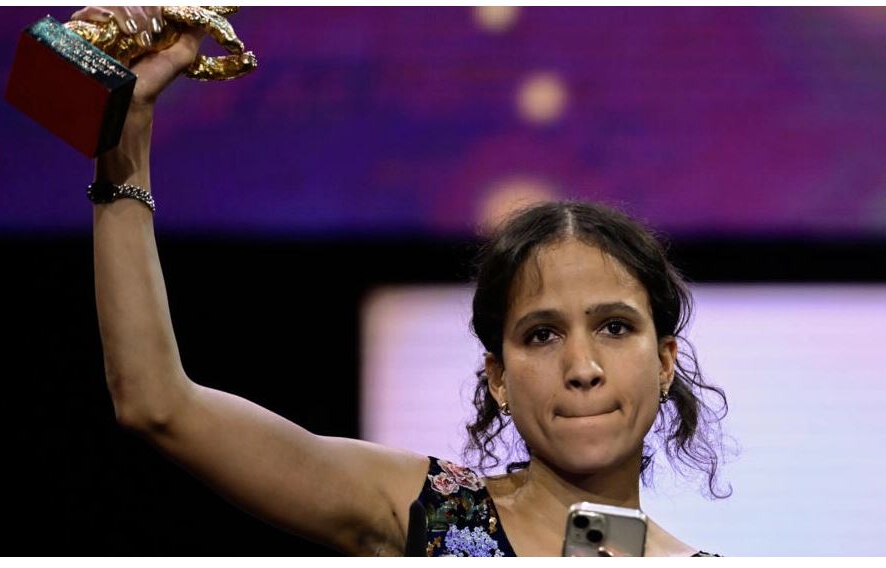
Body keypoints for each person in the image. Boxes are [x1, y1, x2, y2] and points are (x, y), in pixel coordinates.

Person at [82, 6, 729, 556]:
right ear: (498, 378)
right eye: (541, 334)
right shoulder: (427, 511)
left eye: (614, 327)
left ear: (664, 361)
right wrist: (124, 148)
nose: (582, 367)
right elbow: (156, 402)